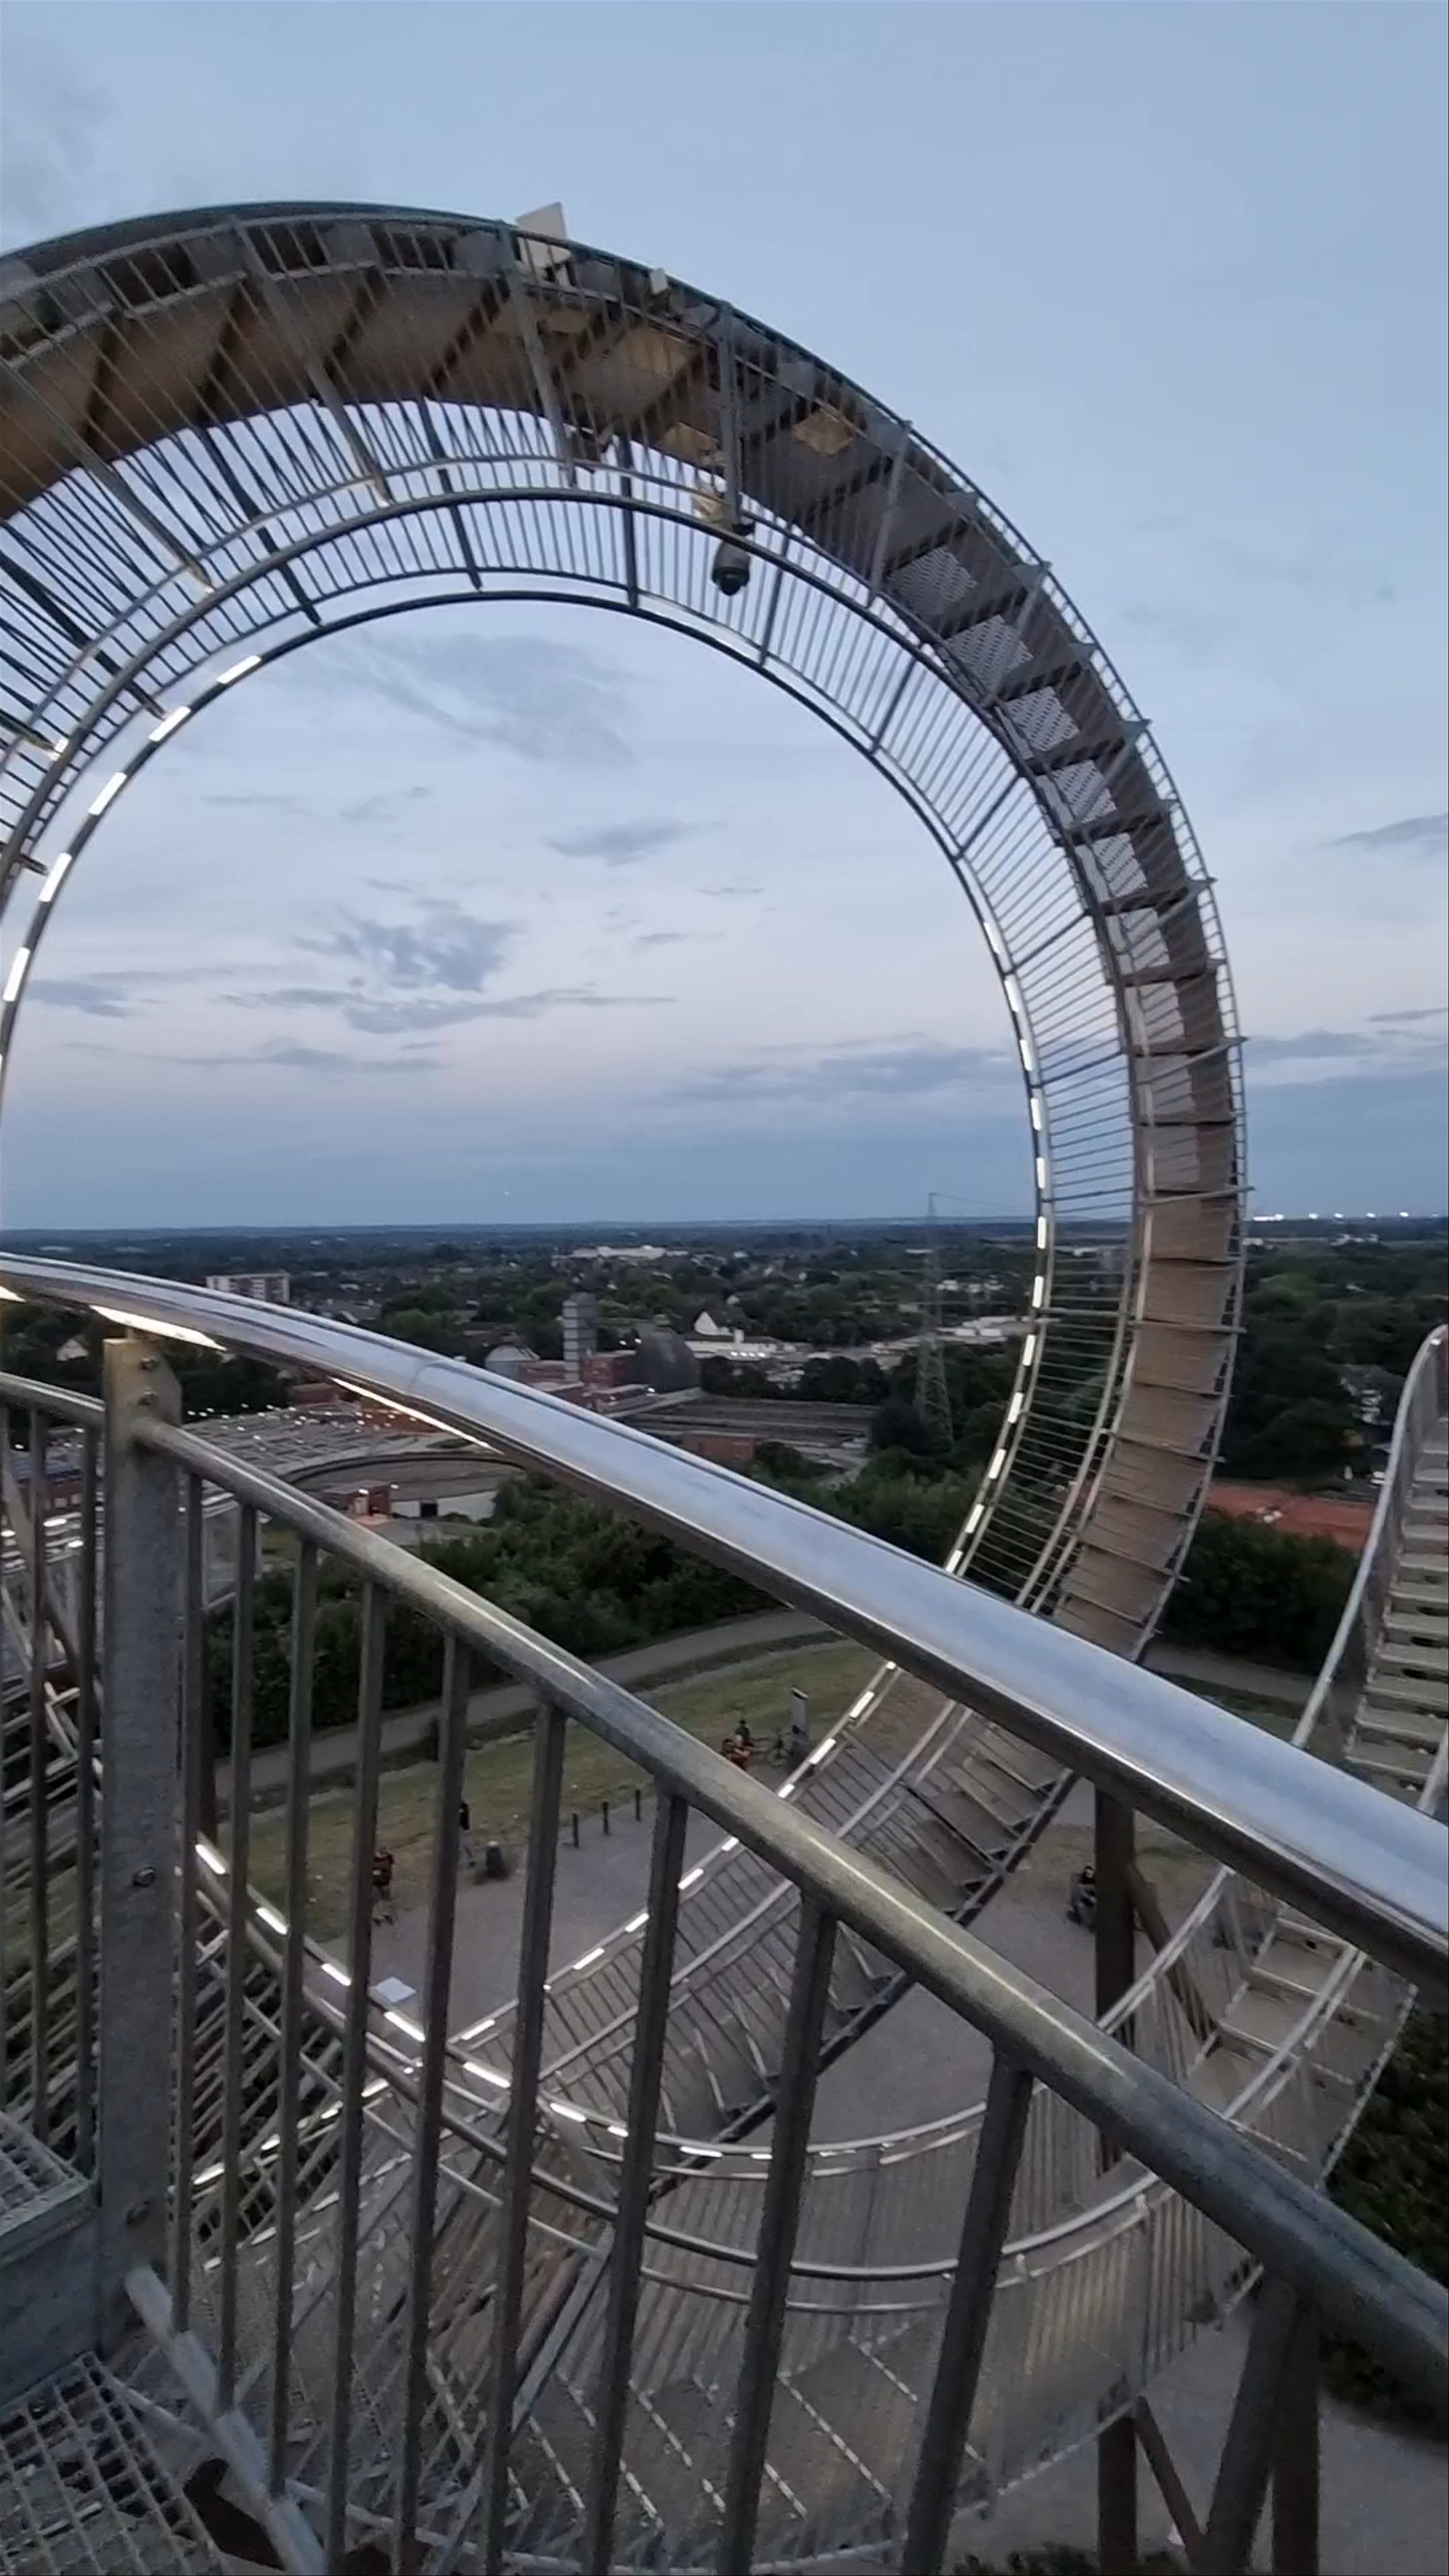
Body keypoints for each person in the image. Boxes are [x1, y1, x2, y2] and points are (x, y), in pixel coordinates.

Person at [372, 1845, 396, 1924]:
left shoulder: (389, 1857)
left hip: (384, 1882)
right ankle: (377, 1916)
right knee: (377, 1899)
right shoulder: (374, 1859)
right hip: (376, 1882)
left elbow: (392, 1863)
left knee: (385, 1898)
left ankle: (386, 1914)